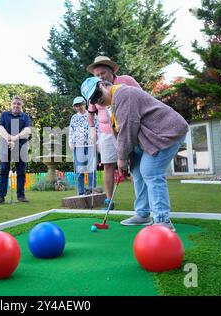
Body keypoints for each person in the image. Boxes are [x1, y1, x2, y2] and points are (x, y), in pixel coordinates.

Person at [81, 77, 189, 231]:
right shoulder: (113, 105)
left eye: (98, 94)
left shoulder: (123, 94)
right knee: (137, 171)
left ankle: (163, 221)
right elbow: (119, 135)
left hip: (167, 131)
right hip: (149, 137)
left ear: (103, 85)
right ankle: (143, 214)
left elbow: (128, 128)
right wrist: (124, 160)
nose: (98, 100)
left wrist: (122, 158)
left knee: (150, 171)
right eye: (93, 100)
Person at [86, 56, 142, 210]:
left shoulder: (126, 81)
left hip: (129, 129)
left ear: (111, 71)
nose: (100, 77)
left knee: (136, 165)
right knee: (108, 166)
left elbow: (142, 96)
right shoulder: (94, 90)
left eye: (103, 73)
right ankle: (108, 201)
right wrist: (92, 130)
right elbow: (90, 113)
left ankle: (142, 203)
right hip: (106, 132)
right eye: (97, 75)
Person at [0, 96, 32, 205]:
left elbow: (27, 130)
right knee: (3, 171)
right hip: (6, 145)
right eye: (14, 103)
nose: (16, 106)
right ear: (11, 104)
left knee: (21, 172)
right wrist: (8, 138)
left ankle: (21, 196)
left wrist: (14, 138)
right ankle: (0, 197)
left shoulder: (25, 117)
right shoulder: (5, 115)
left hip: (21, 146)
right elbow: (0, 128)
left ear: (21, 106)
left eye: (18, 104)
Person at [69, 96, 97, 195]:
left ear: (84, 104)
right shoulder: (74, 118)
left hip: (90, 145)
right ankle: (80, 192)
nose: (79, 107)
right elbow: (71, 131)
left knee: (91, 169)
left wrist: (96, 142)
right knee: (79, 170)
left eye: (80, 104)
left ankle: (91, 190)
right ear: (74, 107)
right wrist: (71, 143)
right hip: (78, 146)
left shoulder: (91, 115)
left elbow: (96, 128)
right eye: (76, 105)